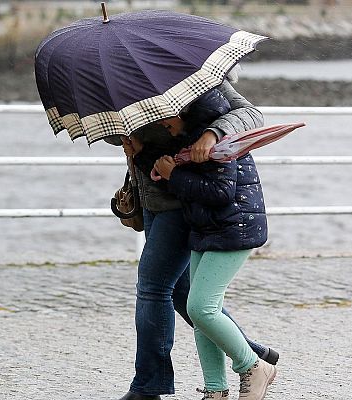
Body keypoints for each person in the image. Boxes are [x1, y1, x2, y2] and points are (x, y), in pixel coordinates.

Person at [114, 79, 278, 400]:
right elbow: (138, 148)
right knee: (186, 295)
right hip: (157, 197)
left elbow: (247, 114)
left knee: (156, 287)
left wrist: (211, 134)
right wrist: (130, 147)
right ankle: (226, 377)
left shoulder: (195, 77)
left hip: (187, 201)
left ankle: (149, 387)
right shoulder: (121, 76)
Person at [152, 102, 274, 399]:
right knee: (205, 313)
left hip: (235, 228)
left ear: (182, 110)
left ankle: (254, 366)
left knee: (200, 308)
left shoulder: (216, 137)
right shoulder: (189, 139)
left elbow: (221, 192)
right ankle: (215, 389)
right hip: (206, 230)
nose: (160, 123)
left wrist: (174, 176)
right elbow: (195, 186)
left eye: (164, 117)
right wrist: (155, 164)